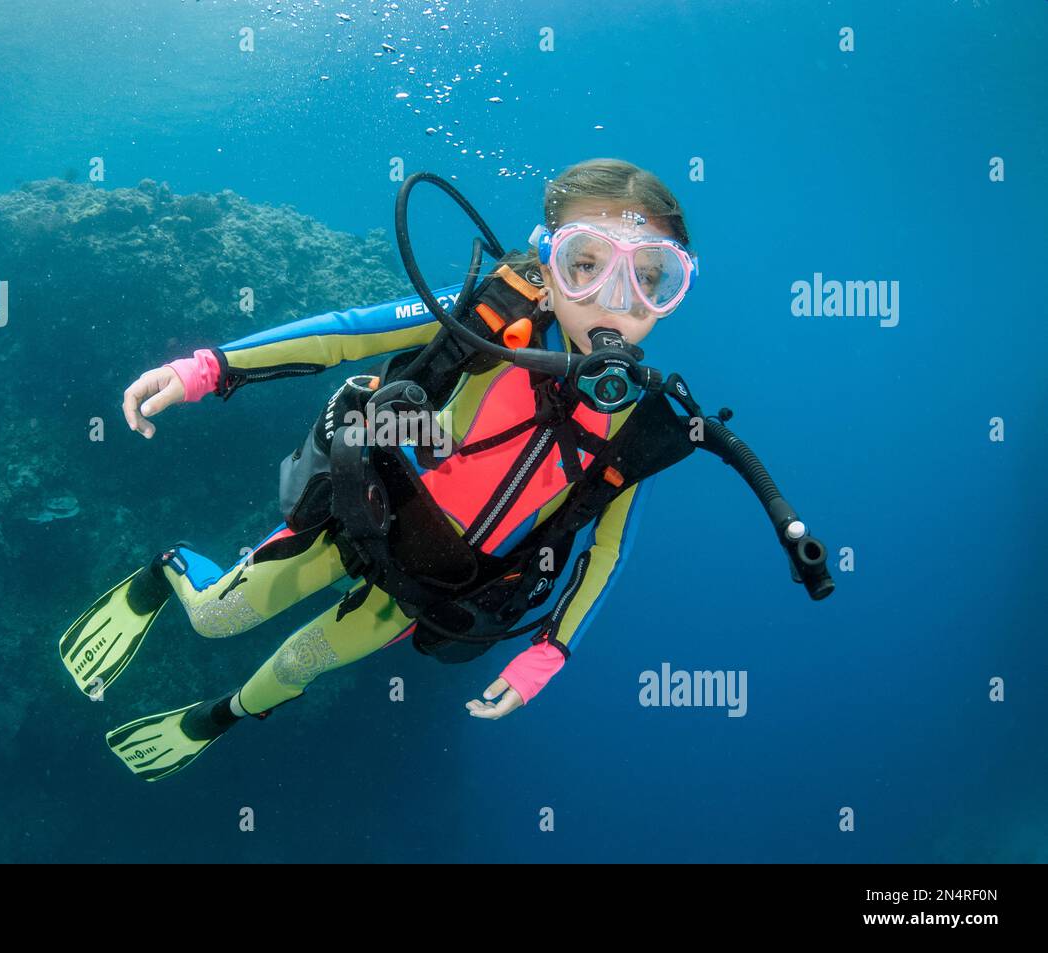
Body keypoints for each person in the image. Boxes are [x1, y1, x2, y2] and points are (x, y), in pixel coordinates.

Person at [62, 158, 700, 781]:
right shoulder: (489, 318)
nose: (615, 301)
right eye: (585, 264)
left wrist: (549, 654)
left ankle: (216, 718)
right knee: (216, 619)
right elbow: (345, 335)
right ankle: (163, 572)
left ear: (674, 294)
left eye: (652, 277)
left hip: (439, 582)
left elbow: (608, 548)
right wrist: (208, 368)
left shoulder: (637, 424)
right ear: (548, 263)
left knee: (298, 666)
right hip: (365, 512)